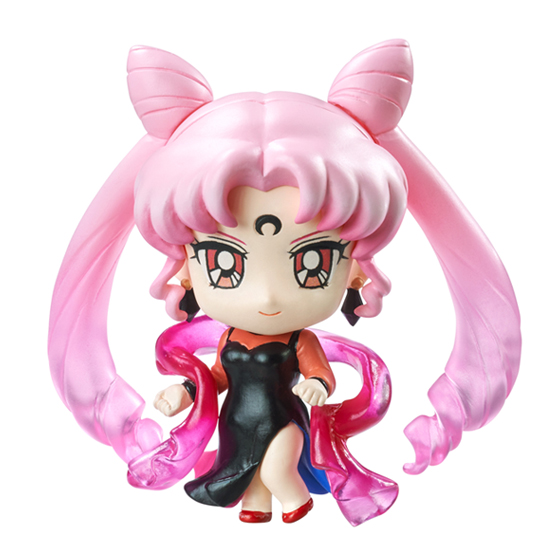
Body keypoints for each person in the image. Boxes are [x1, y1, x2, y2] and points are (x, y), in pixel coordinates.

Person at [48, 40, 521, 526]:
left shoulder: (300, 342)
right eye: (225, 263)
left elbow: (319, 374)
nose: (268, 294)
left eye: (313, 262)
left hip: (284, 420)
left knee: (277, 470)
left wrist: (317, 383)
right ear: (185, 266)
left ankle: (296, 504)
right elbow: (216, 377)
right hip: (236, 425)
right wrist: (184, 393)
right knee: (251, 483)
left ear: (355, 267)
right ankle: (259, 512)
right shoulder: (230, 339)